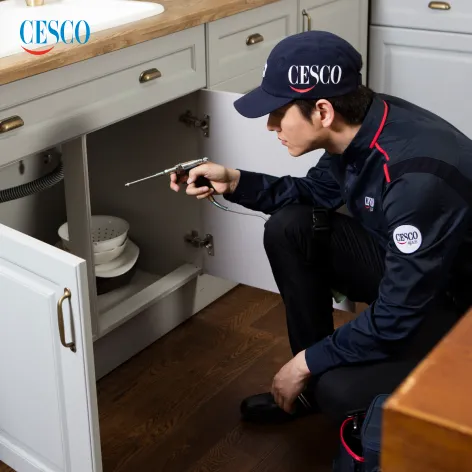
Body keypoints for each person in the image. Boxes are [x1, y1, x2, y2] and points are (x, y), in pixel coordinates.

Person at [169, 30, 472, 425]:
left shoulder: (415, 178)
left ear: (323, 112)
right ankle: (310, 388)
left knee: (337, 391)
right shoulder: (360, 123)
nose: (270, 125)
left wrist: (305, 363)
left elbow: (399, 312)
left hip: (457, 307)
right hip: (419, 274)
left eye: (279, 112)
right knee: (292, 227)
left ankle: (330, 388)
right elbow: (316, 192)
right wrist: (234, 181)